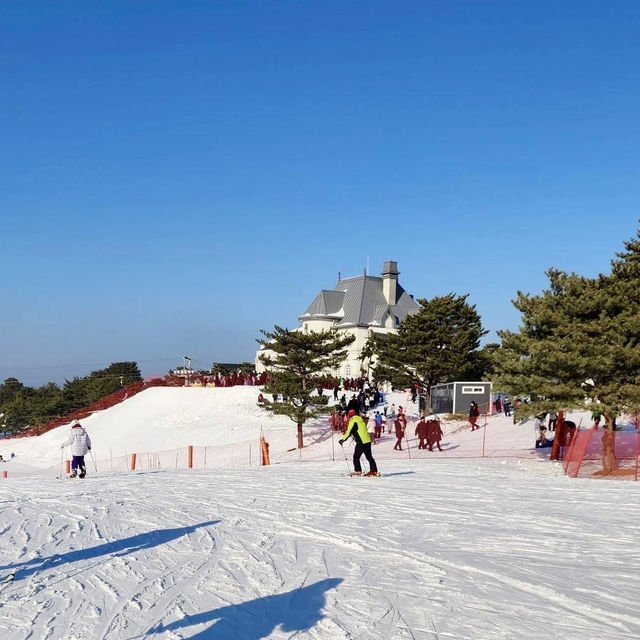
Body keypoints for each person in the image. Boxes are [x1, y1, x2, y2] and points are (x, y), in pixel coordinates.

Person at [339, 410, 379, 476]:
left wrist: (342, 440)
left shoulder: (353, 421)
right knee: (369, 457)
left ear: (349, 415)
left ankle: (358, 471)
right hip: (367, 441)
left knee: (356, 457)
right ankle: (374, 471)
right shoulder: (361, 420)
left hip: (361, 442)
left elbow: (349, 432)